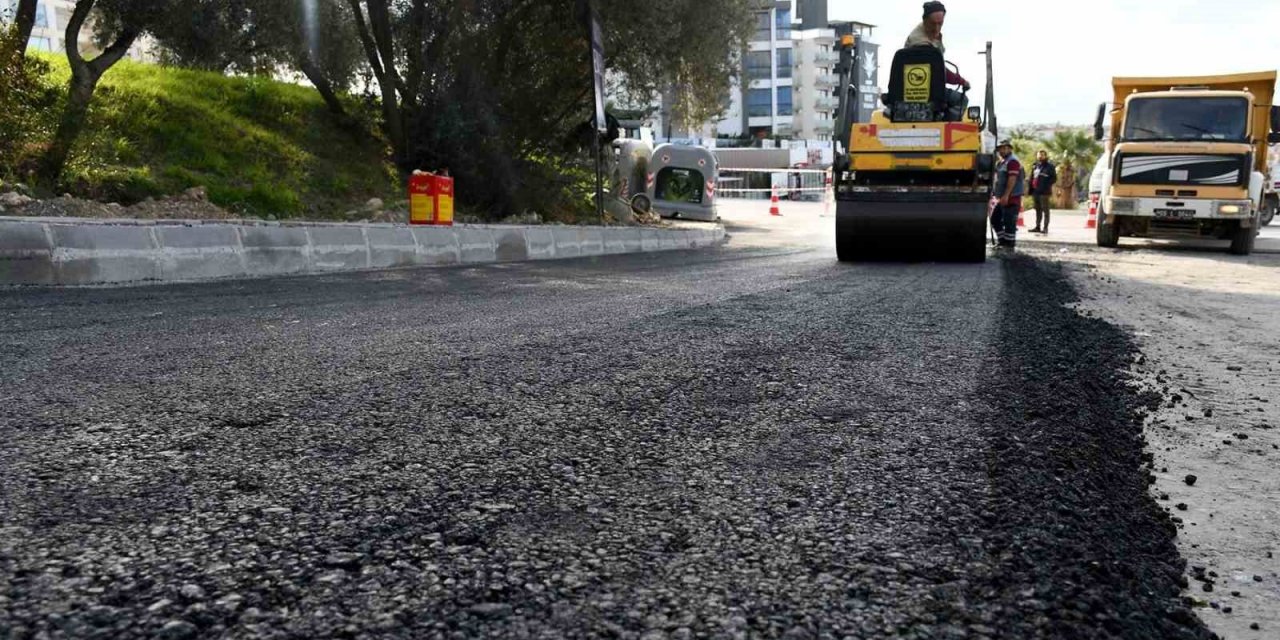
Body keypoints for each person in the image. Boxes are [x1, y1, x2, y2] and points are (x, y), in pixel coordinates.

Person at [904, 1, 969, 120]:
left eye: (940, 23)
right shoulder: (920, 42)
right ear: (925, 20)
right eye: (933, 24)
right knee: (962, 100)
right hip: (922, 90)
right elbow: (939, 71)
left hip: (925, 87)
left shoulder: (932, 35)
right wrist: (961, 81)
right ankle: (945, 128)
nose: (937, 28)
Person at [991, 140, 1025, 248]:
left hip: (1011, 198)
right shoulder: (1002, 162)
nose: (1002, 150)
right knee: (995, 219)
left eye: (1005, 148)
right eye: (1001, 148)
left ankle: (1009, 245)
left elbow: (1012, 179)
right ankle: (1002, 241)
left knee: (1009, 223)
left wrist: (1006, 195)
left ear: (1010, 149)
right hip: (1002, 198)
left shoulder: (1012, 162)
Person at [1030, 150, 1057, 233]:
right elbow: (1032, 177)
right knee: (1038, 210)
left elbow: (1054, 178)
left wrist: (1046, 185)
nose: (1040, 157)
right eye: (1039, 155)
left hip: (1044, 192)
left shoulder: (1050, 166)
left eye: (1042, 155)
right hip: (1036, 191)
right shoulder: (1035, 166)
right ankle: (1037, 226)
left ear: (1045, 156)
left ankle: (1045, 228)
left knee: (1045, 210)